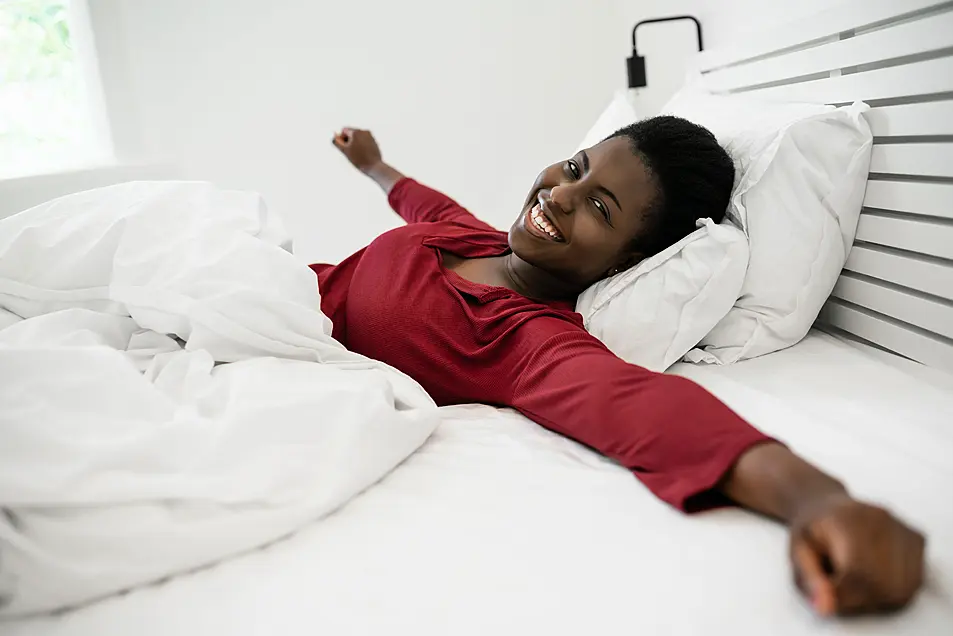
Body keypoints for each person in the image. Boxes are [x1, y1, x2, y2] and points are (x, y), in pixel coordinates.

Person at [313, 118, 925, 618]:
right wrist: (373, 164)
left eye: (599, 209)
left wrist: (816, 500)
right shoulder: (475, 237)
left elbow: (639, 403)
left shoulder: (527, 340)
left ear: (627, 260)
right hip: (272, 279)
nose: (560, 194)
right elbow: (426, 203)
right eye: (576, 168)